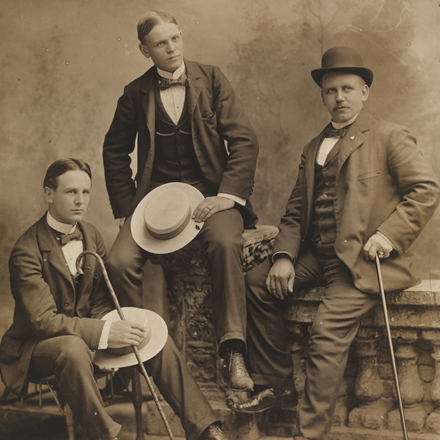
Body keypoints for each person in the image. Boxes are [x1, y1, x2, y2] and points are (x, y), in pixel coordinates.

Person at [228, 46, 440, 440]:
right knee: (256, 281)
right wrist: (285, 256)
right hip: (317, 256)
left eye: (347, 89)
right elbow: (294, 214)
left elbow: (425, 190)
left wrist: (387, 235)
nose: (339, 98)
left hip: (361, 262)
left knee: (324, 335)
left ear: (364, 92)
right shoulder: (313, 148)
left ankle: (307, 435)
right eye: (330, 91)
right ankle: (277, 380)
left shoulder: (390, 136)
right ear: (323, 95)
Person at [0, 158, 229, 440]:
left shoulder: (91, 235)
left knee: (148, 332)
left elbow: (101, 298)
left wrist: (110, 337)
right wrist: (105, 334)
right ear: (49, 194)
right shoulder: (27, 250)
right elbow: (43, 322)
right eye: (71, 192)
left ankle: (205, 427)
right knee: (72, 348)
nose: (80, 200)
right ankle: (108, 435)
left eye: (86, 192)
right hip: (37, 348)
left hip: (88, 338)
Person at [102, 10, 259, 392]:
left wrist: (225, 197)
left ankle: (232, 351)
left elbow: (244, 141)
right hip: (153, 202)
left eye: (175, 38)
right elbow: (114, 150)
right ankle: (134, 355)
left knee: (224, 243)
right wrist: (127, 210)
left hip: (211, 195)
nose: (171, 48)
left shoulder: (212, 78)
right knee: (118, 261)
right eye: (160, 43)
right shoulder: (135, 93)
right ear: (144, 50)